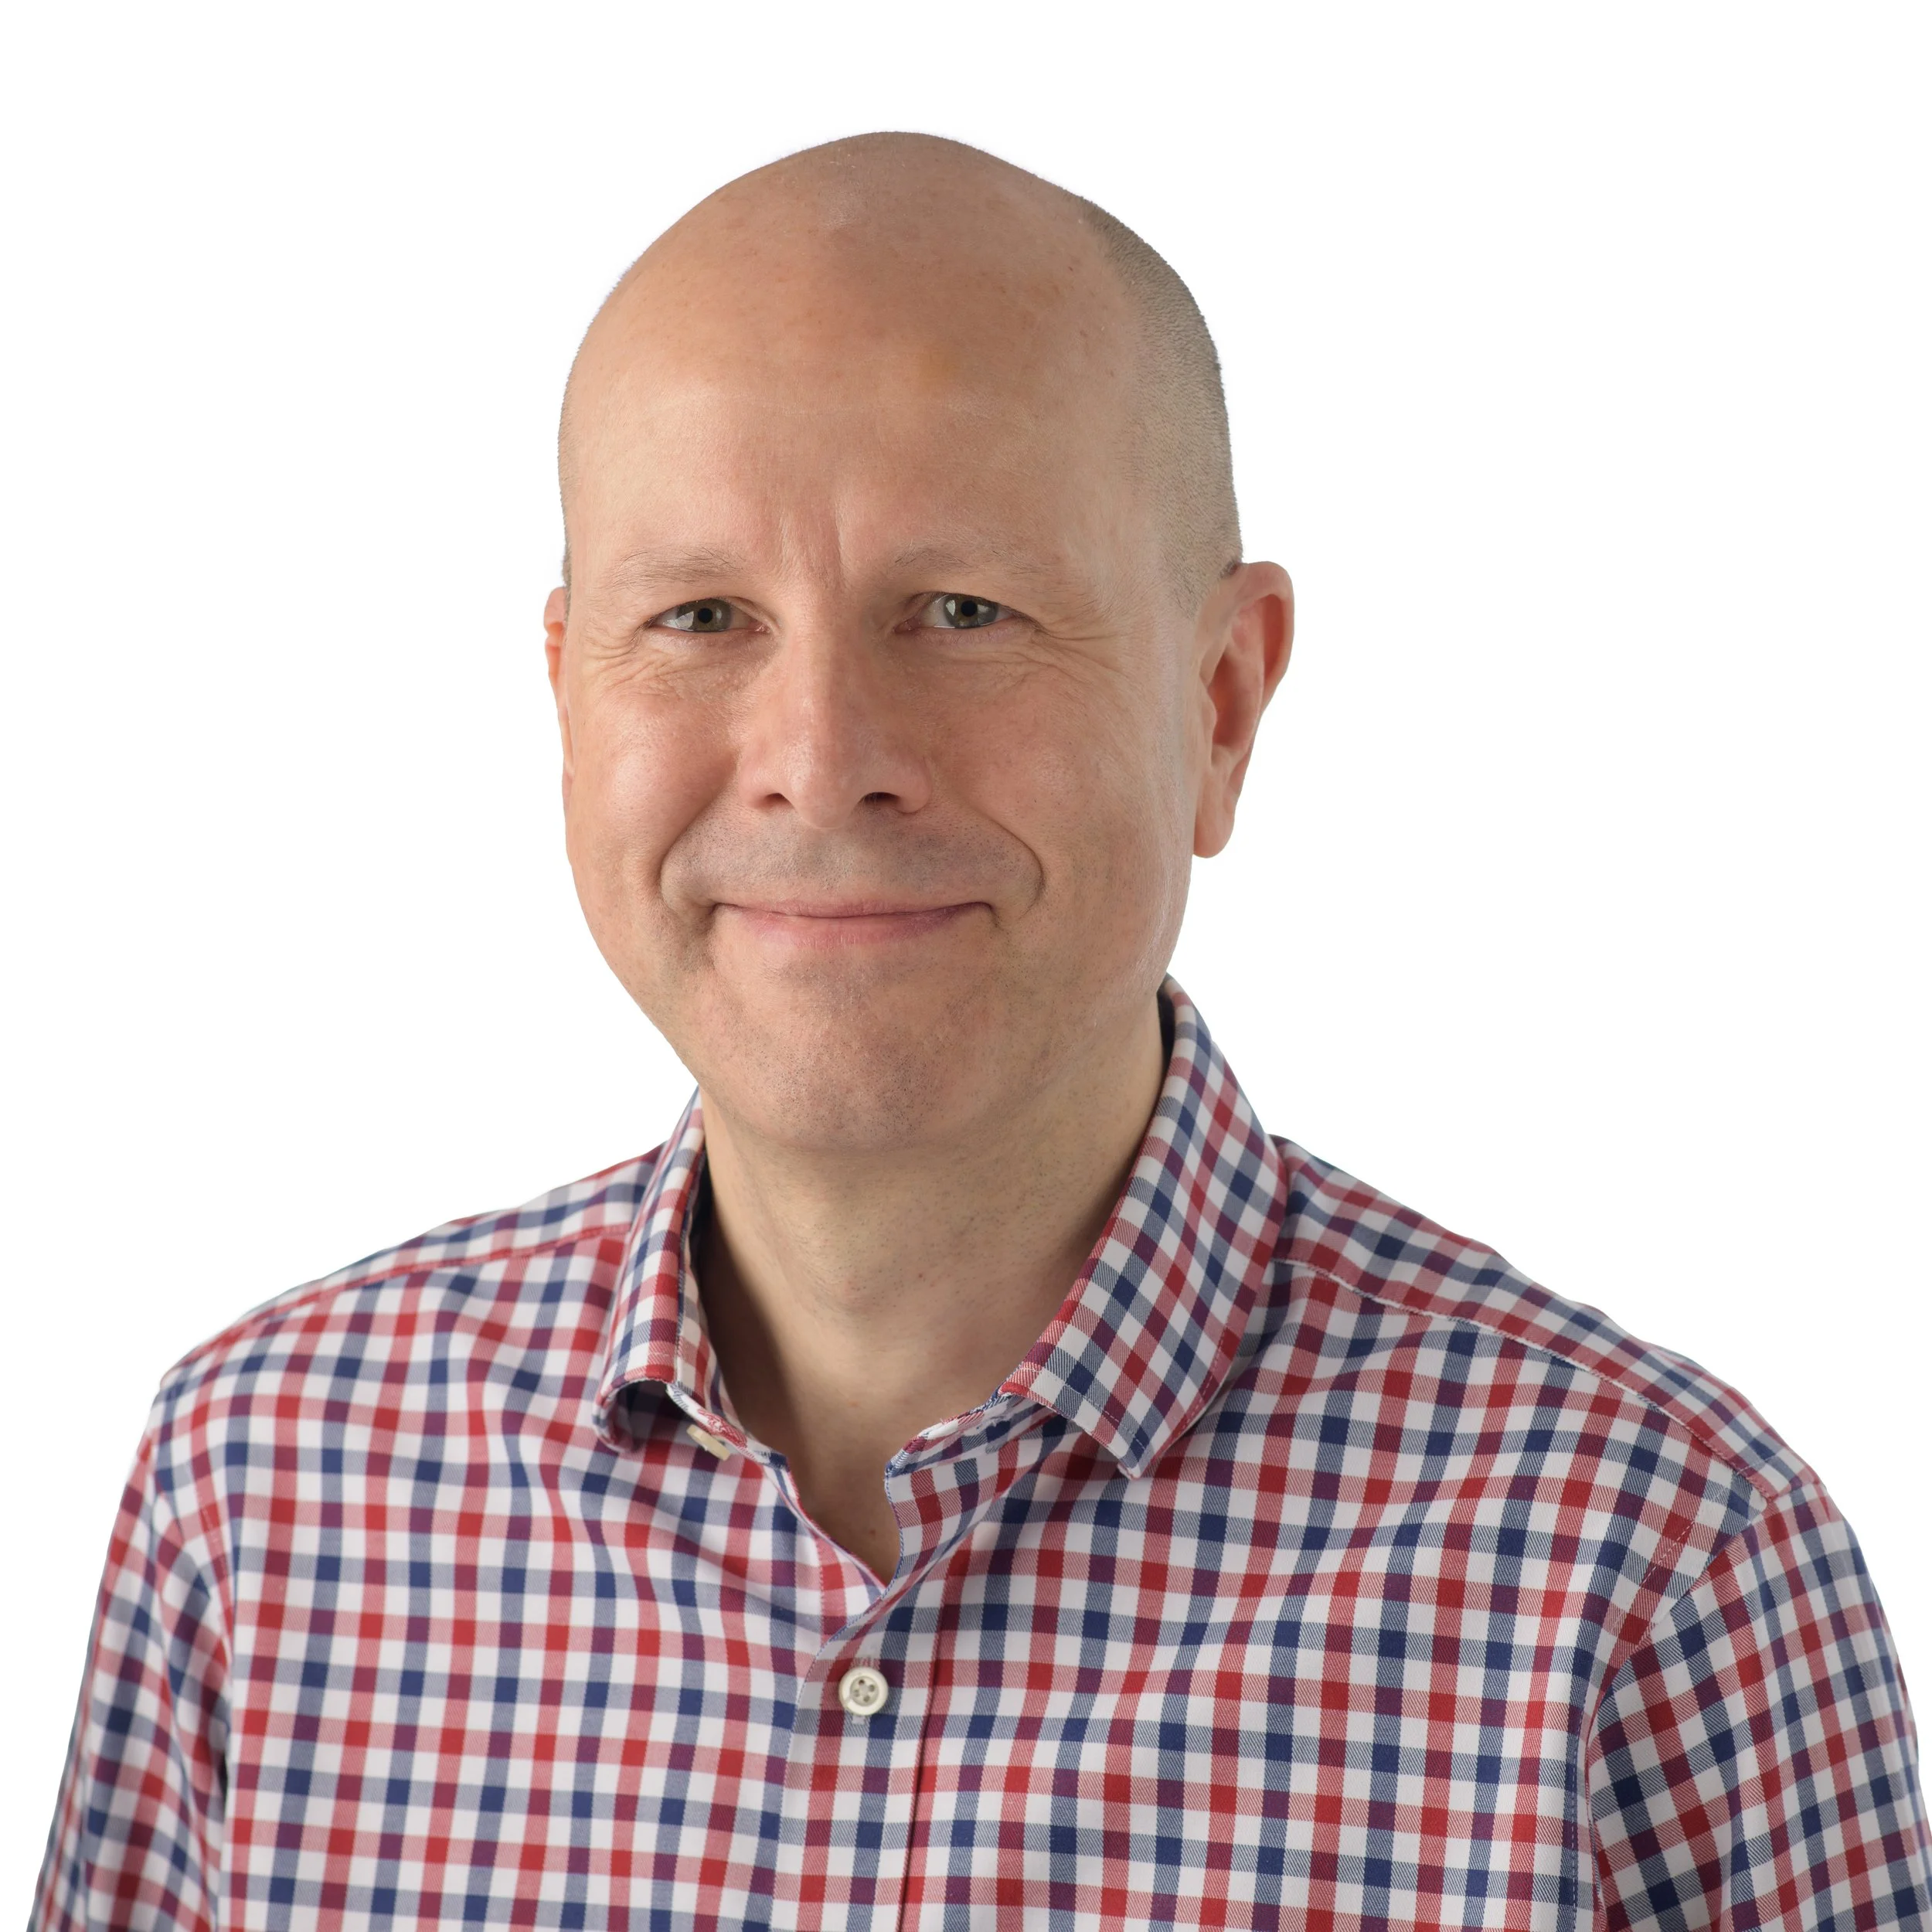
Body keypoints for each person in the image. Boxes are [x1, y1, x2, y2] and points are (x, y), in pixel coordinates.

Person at [35, 131, 1929, 1932]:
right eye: (698, 616)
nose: (819, 760)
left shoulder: (1650, 1567)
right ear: (564, 697)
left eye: (958, 607)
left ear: (1219, 700)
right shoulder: (265, 1492)